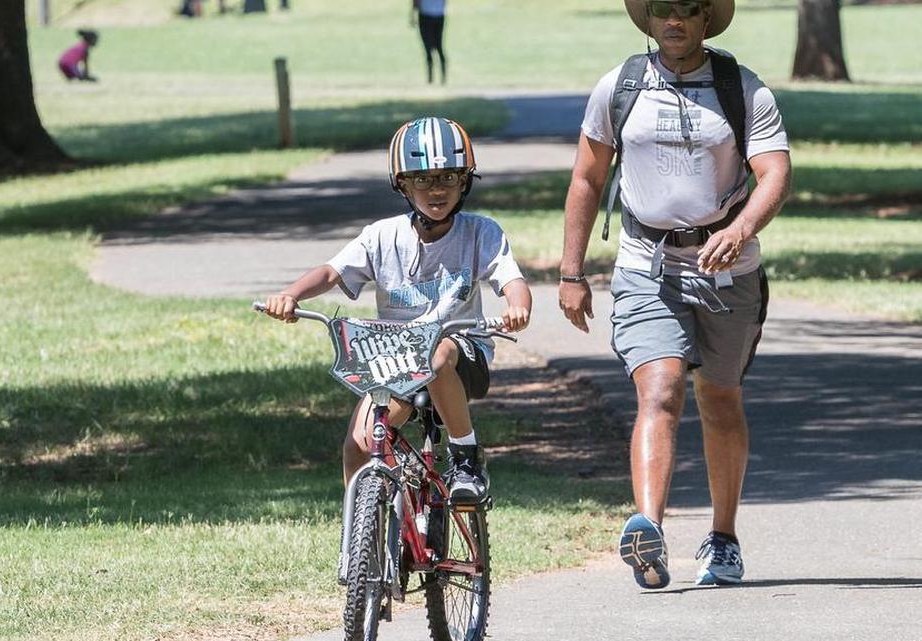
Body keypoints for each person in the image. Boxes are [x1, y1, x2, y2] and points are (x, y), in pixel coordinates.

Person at [558, 0, 791, 589]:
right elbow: (587, 178)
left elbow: (776, 174)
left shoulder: (743, 89)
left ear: (706, 18)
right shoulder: (620, 87)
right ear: (649, 17)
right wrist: (571, 271)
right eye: (664, 8)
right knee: (659, 390)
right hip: (645, 264)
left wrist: (740, 231)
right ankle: (650, 529)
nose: (676, 20)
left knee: (719, 400)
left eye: (688, 8)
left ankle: (724, 537)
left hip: (728, 270)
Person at [263, 116, 532, 504]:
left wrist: (517, 306)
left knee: (438, 353)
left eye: (448, 178)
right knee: (359, 442)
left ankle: (466, 458)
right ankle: (362, 540)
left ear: (465, 182)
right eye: (421, 179)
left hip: (460, 356)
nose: (435, 189)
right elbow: (331, 272)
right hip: (396, 360)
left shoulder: (481, 232)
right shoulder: (382, 236)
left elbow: (512, 281)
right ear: (401, 184)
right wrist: (291, 295)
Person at [412, 0, 447, 84]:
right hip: (434, 14)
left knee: (434, 46)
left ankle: (437, 77)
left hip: (430, 14)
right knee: (433, 47)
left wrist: (413, 13)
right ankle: (433, 77)